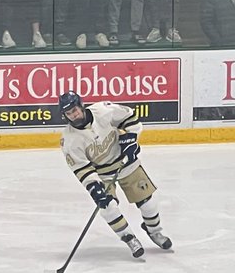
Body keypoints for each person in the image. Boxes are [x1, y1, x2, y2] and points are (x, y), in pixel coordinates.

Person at [58, 90, 172, 261]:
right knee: (107, 207)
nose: (74, 115)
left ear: (81, 105)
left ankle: (154, 231)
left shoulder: (103, 111)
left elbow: (130, 117)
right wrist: (94, 188)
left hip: (124, 163)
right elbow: (82, 169)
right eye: (69, 113)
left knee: (148, 202)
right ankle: (130, 238)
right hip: (102, 174)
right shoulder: (69, 140)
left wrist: (131, 140)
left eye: (75, 110)